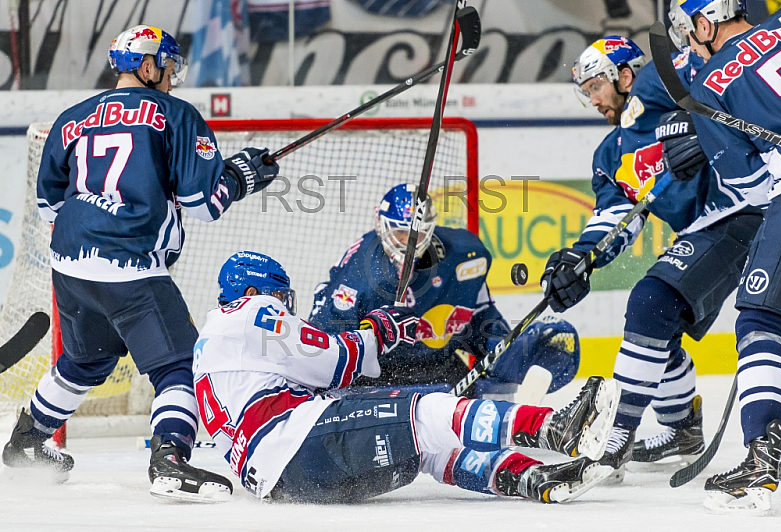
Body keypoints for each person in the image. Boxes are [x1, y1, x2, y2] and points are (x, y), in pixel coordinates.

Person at [1, 25, 279, 502]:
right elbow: (202, 202)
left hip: (68, 265)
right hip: (130, 268)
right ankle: (170, 459)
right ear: (148, 67)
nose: (172, 79)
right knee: (181, 365)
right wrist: (240, 175)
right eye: (168, 68)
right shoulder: (176, 114)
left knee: (86, 358)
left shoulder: (72, 118)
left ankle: (27, 439)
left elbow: (50, 205)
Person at [192, 250, 622, 504]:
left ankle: (531, 478)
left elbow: (321, 382)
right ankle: (554, 428)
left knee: (426, 448)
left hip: (291, 478)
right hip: (297, 443)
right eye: (280, 296)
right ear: (253, 293)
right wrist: (379, 329)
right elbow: (332, 361)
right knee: (427, 410)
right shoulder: (250, 314)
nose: (285, 306)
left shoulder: (213, 343)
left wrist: (374, 338)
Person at [545, 29, 763, 482]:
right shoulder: (610, 154)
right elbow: (616, 216)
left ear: (625, 75)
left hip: (750, 201)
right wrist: (581, 258)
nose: (594, 102)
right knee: (657, 315)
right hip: (714, 224)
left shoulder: (659, 82)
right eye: (586, 94)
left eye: (596, 88)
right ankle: (681, 428)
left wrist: (704, 134)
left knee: (652, 302)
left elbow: (735, 73)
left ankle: (615, 438)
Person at [666, 0, 781, 513]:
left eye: (688, 27)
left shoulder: (711, 87)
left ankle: (761, 451)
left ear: (705, 22)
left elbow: (750, 186)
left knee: (764, 320)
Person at [308, 183, 581, 402]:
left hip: (442, 374)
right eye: (400, 234)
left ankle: (522, 415)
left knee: (557, 337)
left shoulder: (464, 256)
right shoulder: (359, 273)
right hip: (379, 383)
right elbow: (324, 345)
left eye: (415, 234)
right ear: (382, 225)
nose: (408, 244)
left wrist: (504, 354)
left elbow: (481, 318)